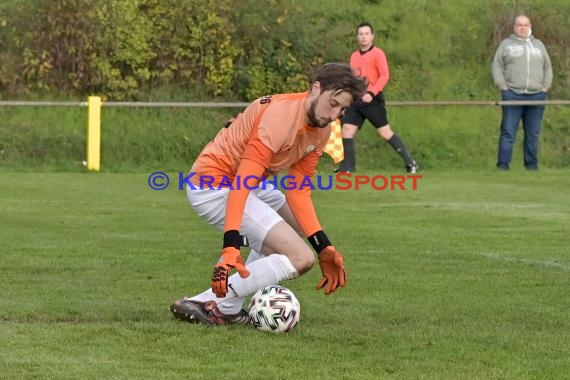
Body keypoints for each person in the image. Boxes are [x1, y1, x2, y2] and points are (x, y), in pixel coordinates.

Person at [170, 63, 367, 325]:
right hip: (213, 185)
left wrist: (325, 247)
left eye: (342, 109)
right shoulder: (281, 117)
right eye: (333, 104)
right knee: (301, 258)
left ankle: (225, 306)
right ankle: (208, 301)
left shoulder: (322, 130)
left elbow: (298, 191)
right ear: (316, 89)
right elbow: (241, 182)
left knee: (299, 229)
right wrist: (231, 246)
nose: (335, 114)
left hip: (246, 183)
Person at [337, 22, 418, 173]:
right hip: (357, 100)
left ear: (372, 36)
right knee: (347, 129)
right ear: (357, 37)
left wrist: (371, 93)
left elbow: (385, 76)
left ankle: (410, 162)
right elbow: (354, 78)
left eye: (367, 34)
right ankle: (347, 167)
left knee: (385, 133)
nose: (364, 37)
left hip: (372, 100)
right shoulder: (354, 56)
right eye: (361, 34)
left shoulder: (378, 53)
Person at [492, 14, 553, 170]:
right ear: (514, 27)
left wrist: (545, 87)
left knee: (532, 133)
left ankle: (531, 166)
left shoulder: (539, 45)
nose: (522, 28)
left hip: (537, 95)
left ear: (530, 26)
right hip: (512, 94)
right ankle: (503, 166)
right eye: (519, 25)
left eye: (525, 25)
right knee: (508, 132)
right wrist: (502, 85)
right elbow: (496, 65)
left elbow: (548, 67)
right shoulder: (506, 45)